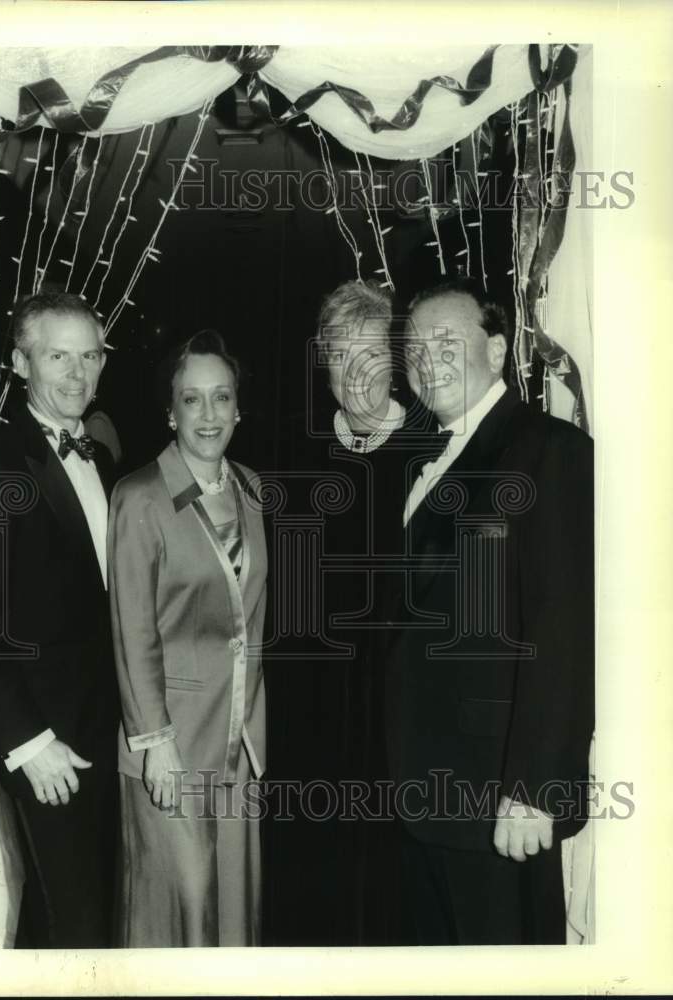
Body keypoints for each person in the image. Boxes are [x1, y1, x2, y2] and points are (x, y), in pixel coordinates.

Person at [382, 277, 594, 944]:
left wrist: (535, 788)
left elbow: (562, 629)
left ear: (497, 350)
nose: (427, 360)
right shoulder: (422, 458)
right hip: (422, 791)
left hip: (500, 797)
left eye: (448, 342)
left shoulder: (548, 451)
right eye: (414, 348)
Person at [263, 280, 430, 945]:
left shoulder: (434, 450)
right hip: (311, 727)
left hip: (407, 728)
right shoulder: (291, 460)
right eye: (339, 356)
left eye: (370, 354)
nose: (355, 374)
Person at [108, 330, 267, 947]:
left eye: (221, 398)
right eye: (192, 399)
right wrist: (154, 742)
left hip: (239, 742)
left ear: (237, 407)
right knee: (180, 909)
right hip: (170, 746)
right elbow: (132, 628)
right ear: (169, 410)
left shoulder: (253, 488)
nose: (209, 415)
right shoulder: (140, 495)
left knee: (234, 914)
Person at [0, 291, 120, 948]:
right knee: (75, 925)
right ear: (19, 363)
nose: (76, 374)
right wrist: (29, 742)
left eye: (90, 356)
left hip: (105, 730)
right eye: (58, 356)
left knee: (74, 919)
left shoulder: (107, 459)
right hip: (46, 743)